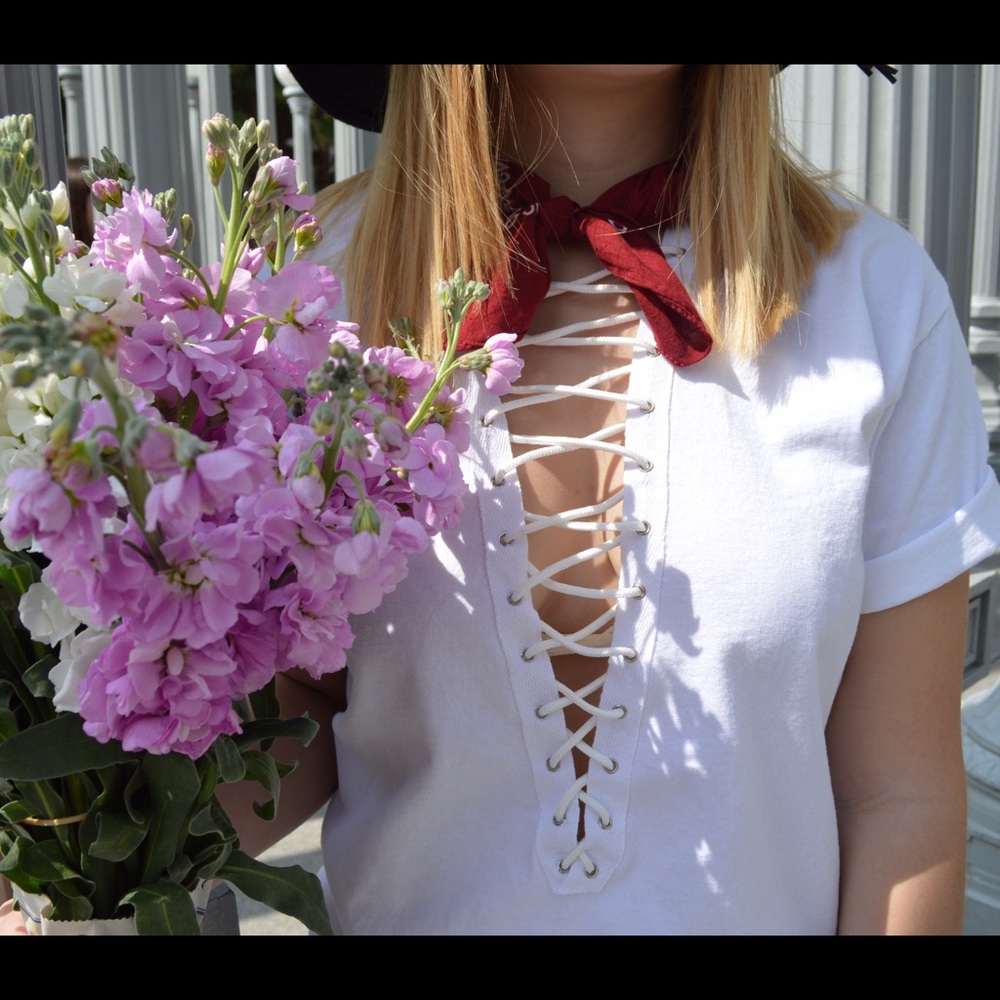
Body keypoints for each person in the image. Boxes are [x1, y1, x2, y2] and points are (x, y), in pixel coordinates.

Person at [4, 64, 990, 935]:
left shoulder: (875, 306)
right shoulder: (292, 303)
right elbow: (281, 719)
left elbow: (897, 799)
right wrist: (67, 852)